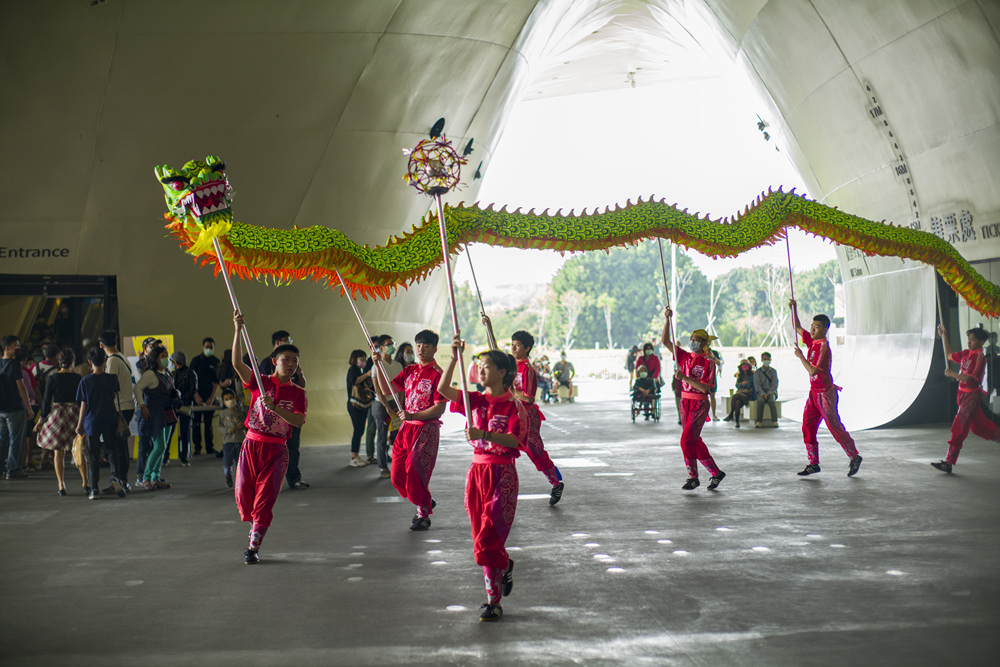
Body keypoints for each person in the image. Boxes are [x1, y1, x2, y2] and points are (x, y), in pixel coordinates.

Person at [437, 337, 523, 622]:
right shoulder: (474, 399)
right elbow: (442, 389)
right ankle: (504, 564)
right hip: (476, 474)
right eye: (479, 366)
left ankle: (493, 602)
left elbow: (514, 440)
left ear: (502, 372)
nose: (481, 371)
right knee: (481, 538)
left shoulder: (514, 406)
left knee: (487, 540)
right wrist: (453, 359)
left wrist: (484, 435)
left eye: (486, 366)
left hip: (502, 476)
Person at [230, 311, 307, 564]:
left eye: (295, 360)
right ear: (274, 361)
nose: (291, 364)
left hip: (276, 451)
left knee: (264, 500)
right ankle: (254, 526)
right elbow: (237, 365)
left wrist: (275, 409)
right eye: (286, 359)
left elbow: (298, 421)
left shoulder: (297, 393)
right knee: (243, 497)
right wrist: (237, 330)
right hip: (251, 445)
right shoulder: (260, 382)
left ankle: (253, 547)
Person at [482, 318, 564, 503]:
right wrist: (489, 327)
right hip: (509, 414)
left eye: (517, 346)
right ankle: (498, 488)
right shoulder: (509, 364)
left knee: (536, 453)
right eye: (512, 345)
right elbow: (495, 352)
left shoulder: (528, 370)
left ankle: (556, 483)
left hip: (526, 416)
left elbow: (528, 397)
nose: (513, 349)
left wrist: (511, 390)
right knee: (499, 448)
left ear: (526, 348)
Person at [374, 329, 447, 531]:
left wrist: (414, 416)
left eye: (425, 345)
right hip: (406, 429)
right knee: (397, 476)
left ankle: (423, 514)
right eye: (418, 345)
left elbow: (439, 408)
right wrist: (378, 365)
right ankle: (424, 499)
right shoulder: (410, 371)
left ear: (434, 348)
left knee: (416, 473)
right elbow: (389, 390)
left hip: (426, 431)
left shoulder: (438, 374)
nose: (420, 349)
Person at [790, 299, 862, 477]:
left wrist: (800, 356)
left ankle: (854, 456)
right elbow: (797, 327)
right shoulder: (811, 341)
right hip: (814, 394)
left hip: (825, 394)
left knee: (834, 426)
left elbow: (813, 370)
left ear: (825, 330)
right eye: (812, 326)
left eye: (816, 327)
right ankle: (813, 463)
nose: (812, 329)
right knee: (807, 426)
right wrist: (794, 308)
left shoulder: (823, 346)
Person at [661, 310, 726, 491]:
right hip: (685, 403)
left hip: (698, 404)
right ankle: (716, 472)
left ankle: (693, 477)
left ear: (704, 343)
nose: (692, 341)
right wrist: (667, 319)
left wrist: (685, 378)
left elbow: (706, 388)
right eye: (691, 338)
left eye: (696, 339)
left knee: (686, 440)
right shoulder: (684, 356)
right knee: (694, 441)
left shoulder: (708, 362)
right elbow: (665, 341)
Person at [931, 325, 1000, 473]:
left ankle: (949, 462)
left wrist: (952, 374)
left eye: (973, 340)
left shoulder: (979, 356)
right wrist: (944, 336)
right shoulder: (967, 353)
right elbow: (949, 355)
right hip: (962, 395)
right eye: (968, 339)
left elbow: (969, 377)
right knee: (980, 427)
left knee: (958, 427)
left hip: (970, 396)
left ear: (981, 342)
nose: (969, 342)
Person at [259, 330, 309, 489]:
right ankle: (266, 479)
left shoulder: (293, 363)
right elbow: (263, 389)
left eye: (293, 361)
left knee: (293, 446)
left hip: (290, 412)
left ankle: (294, 478)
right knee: (269, 449)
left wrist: (300, 374)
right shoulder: (267, 363)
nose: (290, 363)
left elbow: (301, 385)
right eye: (286, 341)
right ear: (276, 343)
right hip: (270, 416)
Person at [75, 347, 127, 499]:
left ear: (90, 362)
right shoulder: (112, 379)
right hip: (110, 418)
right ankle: (116, 478)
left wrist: (79, 424)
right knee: (112, 450)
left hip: (92, 420)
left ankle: (94, 489)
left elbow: (83, 404)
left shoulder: (85, 381)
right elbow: (113, 395)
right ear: (105, 360)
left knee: (93, 455)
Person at [35, 348, 82, 495]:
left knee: (58, 453)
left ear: (59, 362)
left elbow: (46, 401)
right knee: (80, 450)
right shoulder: (78, 378)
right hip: (74, 414)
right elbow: (82, 400)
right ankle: (85, 482)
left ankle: (61, 485)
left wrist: (41, 421)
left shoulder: (53, 378)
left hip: (57, 415)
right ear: (72, 362)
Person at [134, 344, 178, 490]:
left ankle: (155, 478)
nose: (166, 358)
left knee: (162, 446)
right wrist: (143, 406)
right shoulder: (150, 374)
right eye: (163, 356)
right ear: (155, 358)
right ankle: (146, 477)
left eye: (167, 355)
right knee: (159, 446)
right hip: (156, 413)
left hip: (166, 413)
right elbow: (137, 388)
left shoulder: (167, 374)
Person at [100, 330, 135, 484]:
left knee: (116, 447)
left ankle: (120, 481)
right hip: (127, 405)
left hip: (118, 407)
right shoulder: (123, 357)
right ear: (116, 342)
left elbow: (110, 386)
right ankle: (123, 480)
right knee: (122, 445)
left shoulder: (112, 361)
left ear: (101, 345)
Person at [1, 335, 34, 479]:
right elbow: (21, 387)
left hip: (1, 409)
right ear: (7, 348)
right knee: (15, 440)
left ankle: (1, 468)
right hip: (14, 408)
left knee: (2, 440)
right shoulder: (15, 364)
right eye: (16, 346)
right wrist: (28, 407)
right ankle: (12, 469)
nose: (18, 348)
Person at [370, 334, 403, 479]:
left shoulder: (398, 365)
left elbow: (401, 388)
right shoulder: (376, 365)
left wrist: (399, 405)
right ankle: (383, 467)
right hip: (381, 404)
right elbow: (377, 388)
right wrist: (387, 407)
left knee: (397, 437)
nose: (392, 347)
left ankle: (398, 465)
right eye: (389, 344)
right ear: (382, 348)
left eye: (393, 343)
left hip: (396, 404)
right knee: (382, 436)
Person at [189, 336, 220, 455]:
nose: (208, 349)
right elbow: (191, 381)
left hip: (209, 398)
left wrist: (211, 397)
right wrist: (196, 396)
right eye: (207, 347)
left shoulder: (216, 361)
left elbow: (217, 381)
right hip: (197, 397)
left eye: (211, 347)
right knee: (196, 423)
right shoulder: (196, 361)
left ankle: (209, 447)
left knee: (208, 424)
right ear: (203, 347)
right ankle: (197, 448)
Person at [346, 349, 374, 467]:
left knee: (360, 429)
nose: (364, 361)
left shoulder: (359, 370)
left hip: (362, 405)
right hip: (354, 405)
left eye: (364, 359)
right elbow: (354, 381)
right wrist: (367, 375)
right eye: (361, 359)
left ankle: (356, 455)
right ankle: (353, 457)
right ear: (355, 359)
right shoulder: (353, 370)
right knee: (358, 430)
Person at [170, 351, 196, 466]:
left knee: (183, 431)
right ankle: (176, 457)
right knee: (172, 432)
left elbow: (193, 390)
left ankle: (183, 456)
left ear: (175, 362)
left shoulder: (189, 373)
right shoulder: (174, 373)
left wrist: (180, 399)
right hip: (178, 405)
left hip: (183, 405)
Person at [217, 387, 247, 488]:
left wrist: (242, 425)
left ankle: (240, 479)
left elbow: (246, 423)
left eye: (231, 398)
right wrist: (227, 430)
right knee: (227, 462)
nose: (230, 401)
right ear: (223, 402)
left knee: (240, 462)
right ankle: (228, 475)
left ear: (235, 399)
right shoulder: (223, 414)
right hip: (228, 442)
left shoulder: (240, 412)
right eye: (227, 399)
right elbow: (219, 427)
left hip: (240, 441)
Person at [723, 359, 755, 428]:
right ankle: (737, 422)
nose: (744, 366)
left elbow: (750, 384)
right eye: (743, 365)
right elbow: (737, 385)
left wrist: (742, 384)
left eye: (746, 364)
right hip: (740, 394)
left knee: (735, 396)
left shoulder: (752, 374)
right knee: (737, 403)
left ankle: (731, 414)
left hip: (748, 394)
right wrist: (742, 383)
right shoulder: (740, 374)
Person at [753, 352, 779, 428]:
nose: (766, 361)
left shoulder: (773, 371)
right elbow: (757, 385)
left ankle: (775, 421)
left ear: (770, 360)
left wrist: (769, 393)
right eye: (765, 359)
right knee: (760, 401)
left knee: (772, 401)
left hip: (771, 392)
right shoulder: (757, 372)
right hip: (761, 392)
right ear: (761, 360)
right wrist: (763, 394)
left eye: (768, 359)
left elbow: (775, 384)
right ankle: (758, 421)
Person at [707, 348, 723, 420]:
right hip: (701, 378)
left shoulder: (714, 352)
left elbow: (719, 363)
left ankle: (714, 414)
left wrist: (712, 356)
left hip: (712, 377)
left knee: (712, 395)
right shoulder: (698, 352)